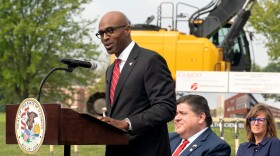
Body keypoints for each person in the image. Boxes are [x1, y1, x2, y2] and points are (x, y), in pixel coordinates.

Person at [96, 11, 176, 156]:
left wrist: (127, 123)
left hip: (146, 150)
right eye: (101, 34)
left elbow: (166, 107)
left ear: (127, 30)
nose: (105, 38)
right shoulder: (110, 70)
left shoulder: (150, 60)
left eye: (110, 31)